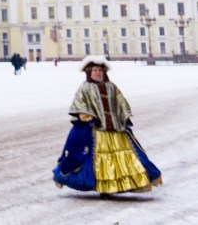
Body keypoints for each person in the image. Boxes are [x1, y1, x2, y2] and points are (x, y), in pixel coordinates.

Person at [53, 55, 162, 196]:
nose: (98, 73)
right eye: (95, 71)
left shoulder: (112, 87)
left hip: (116, 129)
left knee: (125, 157)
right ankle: (104, 188)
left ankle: (121, 185)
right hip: (96, 129)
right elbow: (79, 103)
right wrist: (88, 117)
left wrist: (124, 117)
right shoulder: (85, 87)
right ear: (89, 72)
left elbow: (121, 102)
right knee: (98, 158)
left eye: (100, 71)